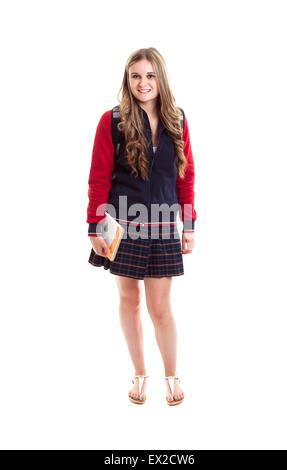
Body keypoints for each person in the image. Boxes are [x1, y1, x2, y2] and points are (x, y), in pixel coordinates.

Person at [86, 47, 197, 406]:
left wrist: (189, 223)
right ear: (127, 80)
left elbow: (186, 176)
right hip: (123, 224)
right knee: (129, 300)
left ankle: (172, 374)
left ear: (160, 78)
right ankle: (139, 372)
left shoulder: (177, 120)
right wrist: (93, 224)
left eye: (150, 75)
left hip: (164, 225)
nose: (143, 83)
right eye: (136, 76)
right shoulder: (112, 120)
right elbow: (99, 177)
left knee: (161, 308)